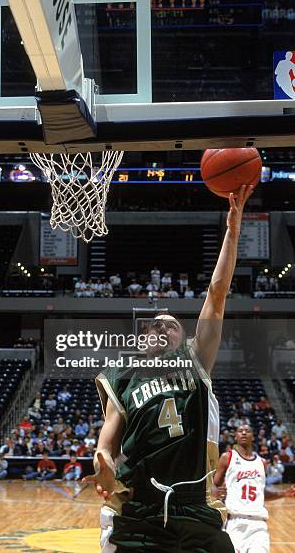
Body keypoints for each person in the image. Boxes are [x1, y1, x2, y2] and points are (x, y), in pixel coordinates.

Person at [84, 185, 255, 552]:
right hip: (137, 508)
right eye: (155, 324)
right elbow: (107, 440)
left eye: (172, 325)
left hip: (194, 506)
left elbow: (217, 291)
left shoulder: (196, 360)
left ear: (183, 340)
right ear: (142, 337)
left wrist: (233, 231)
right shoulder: (122, 374)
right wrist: (103, 464)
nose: (161, 327)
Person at [213, 424, 295, 553]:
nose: (244, 433)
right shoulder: (227, 457)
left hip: (258, 524)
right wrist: (215, 491)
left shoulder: (262, 462)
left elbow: (261, 493)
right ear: (236, 436)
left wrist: (284, 493)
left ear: (253, 436)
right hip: (235, 522)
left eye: (247, 431)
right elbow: (213, 485)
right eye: (240, 431)